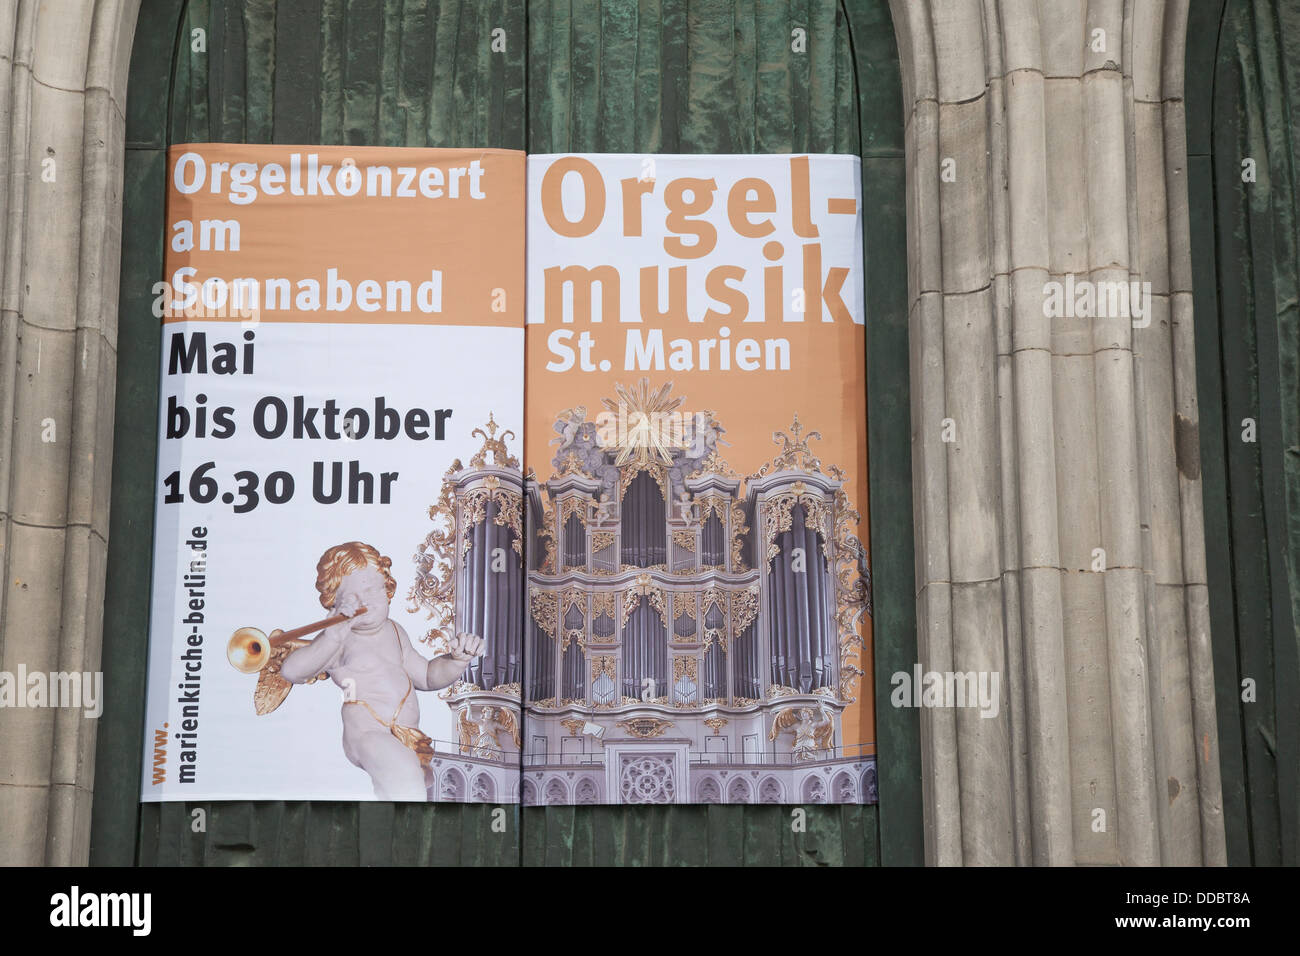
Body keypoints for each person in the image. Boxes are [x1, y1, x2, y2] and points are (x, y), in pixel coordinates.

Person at [279, 541, 483, 800]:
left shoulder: (395, 631)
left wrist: (456, 662)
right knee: (403, 775)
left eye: (373, 589)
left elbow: (428, 676)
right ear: (334, 603)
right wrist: (331, 635)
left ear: (387, 588)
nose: (366, 601)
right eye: (353, 597)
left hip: (407, 738)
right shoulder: (339, 639)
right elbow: (292, 671)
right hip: (368, 734)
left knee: (413, 785)